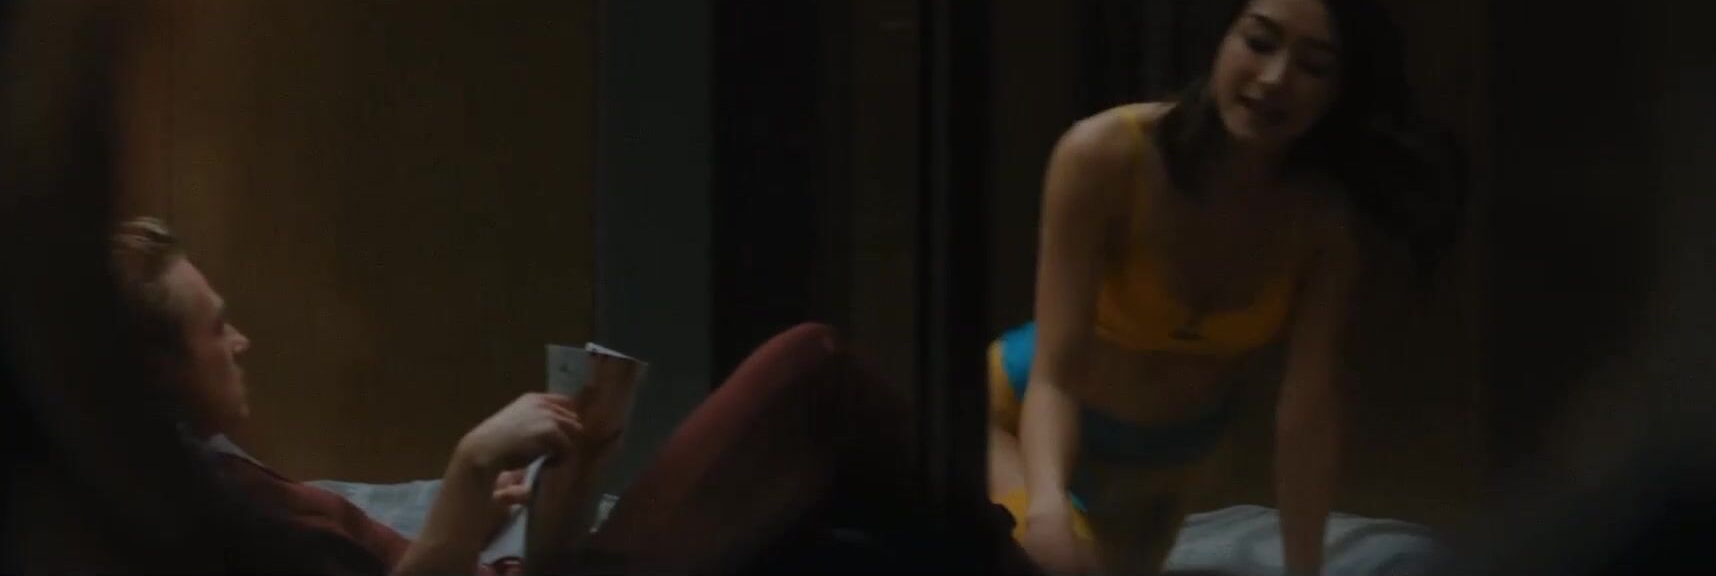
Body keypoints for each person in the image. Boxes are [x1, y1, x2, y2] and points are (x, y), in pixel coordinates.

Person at [108, 216, 1038, 576]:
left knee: (830, 537)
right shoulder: (186, 522)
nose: (240, 341)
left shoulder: (209, 474)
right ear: (154, 372)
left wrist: (571, 468)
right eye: (215, 328)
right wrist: (467, 472)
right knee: (809, 366)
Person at [987, 0, 1465, 576]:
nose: (1275, 79)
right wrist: (1045, 505)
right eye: (1259, 42)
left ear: (1338, 89)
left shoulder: (1322, 219)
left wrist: (1304, 569)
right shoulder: (1105, 155)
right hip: (1025, 427)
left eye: (1314, 65)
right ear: (1220, 35)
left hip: (1168, 469)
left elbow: (1307, 414)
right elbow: (1056, 374)